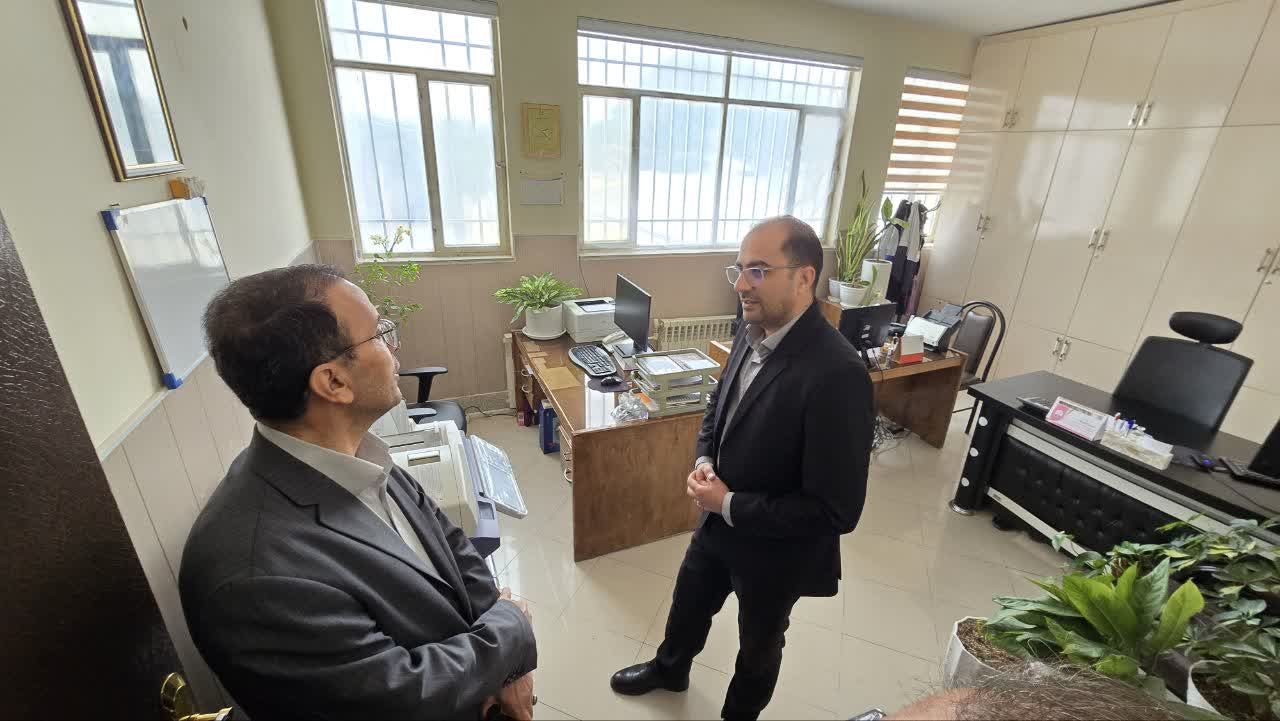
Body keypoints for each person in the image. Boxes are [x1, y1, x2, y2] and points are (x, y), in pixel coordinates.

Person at [180, 265, 537, 720]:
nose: (394, 348)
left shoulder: (362, 455)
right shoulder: (256, 577)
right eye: (379, 334)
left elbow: (454, 549)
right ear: (333, 382)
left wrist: (508, 671)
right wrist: (510, 629)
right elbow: (397, 697)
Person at [610, 216, 875, 719]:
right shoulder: (750, 329)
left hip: (776, 549)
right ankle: (670, 669)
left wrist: (729, 503)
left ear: (804, 277)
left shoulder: (837, 374)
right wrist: (704, 460)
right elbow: (720, 406)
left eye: (758, 270)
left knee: (759, 644)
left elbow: (837, 511)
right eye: (739, 269)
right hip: (717, 523)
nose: (740, 285)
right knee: (689, 603)